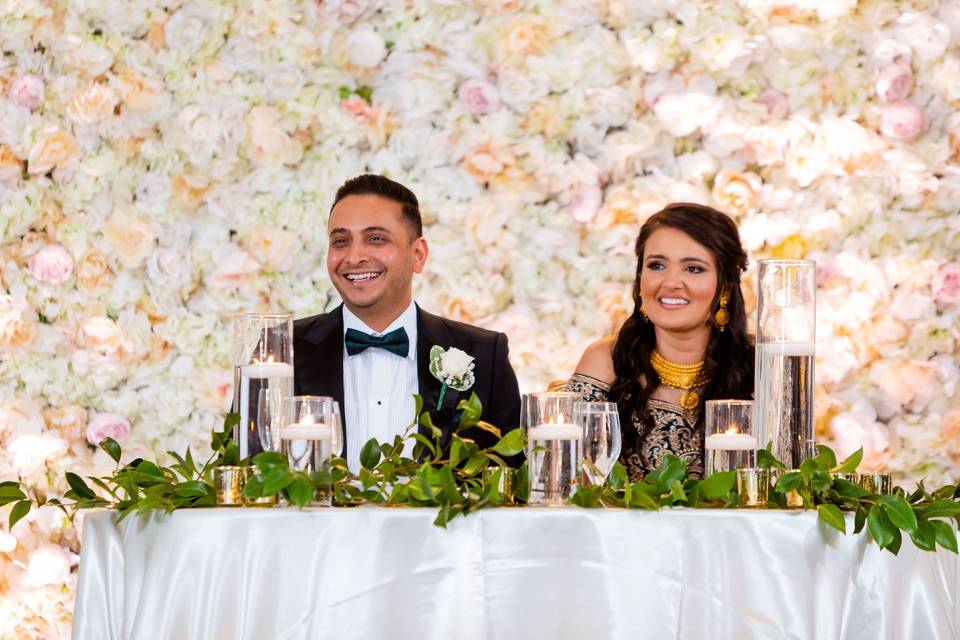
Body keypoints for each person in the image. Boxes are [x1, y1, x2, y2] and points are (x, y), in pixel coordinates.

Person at [294, 174, 522, 472]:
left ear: (418, 255)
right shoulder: (285, 350)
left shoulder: (483, 354)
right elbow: (247, 472)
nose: (354, 256)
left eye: (376, 239)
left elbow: (512, 483)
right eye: (340, 241)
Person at [568, 203, 754, 480]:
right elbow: (569, 484)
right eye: (657, 265)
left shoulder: (761, 368)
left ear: (725, 286)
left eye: (693, 269)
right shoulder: (607, 362)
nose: (671, 282)